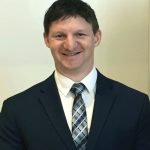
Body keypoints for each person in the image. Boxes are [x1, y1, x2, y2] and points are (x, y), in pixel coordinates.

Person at [0, 0, 150, 149]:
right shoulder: (16, 110)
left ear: (96, 37)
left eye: (80, 34)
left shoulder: (136, 105)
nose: (70, 45)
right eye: (60, 36)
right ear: (46, 39)